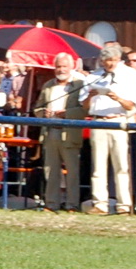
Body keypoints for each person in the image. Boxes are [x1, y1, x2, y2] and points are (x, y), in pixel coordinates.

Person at [79, 43, 136, 214]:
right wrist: (90, 96)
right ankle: (100, 203)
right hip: (98, 121)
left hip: (118, 120)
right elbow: (84, 107)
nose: (110, 64)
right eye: (107, 60)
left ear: (119, 59)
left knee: (121, 165)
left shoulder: (130, 75)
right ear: (102, 60)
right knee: (98, 165)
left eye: (114, 60)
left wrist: (118, 98)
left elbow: (133, 105)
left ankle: (124, 204)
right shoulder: (93, 77)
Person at [33, 52, 87, 212]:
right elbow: (37, 108)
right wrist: (43, 113)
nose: (61, 69)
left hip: (69, 133)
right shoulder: (48, 85)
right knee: (50, 170)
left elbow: (85, 110)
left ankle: (72, 204)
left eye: (64, 66)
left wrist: (66, 114)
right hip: (50, 132)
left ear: (72, 67)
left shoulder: (79, 85)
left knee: (72, 171)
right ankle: (51, 203)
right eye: (58, 66)